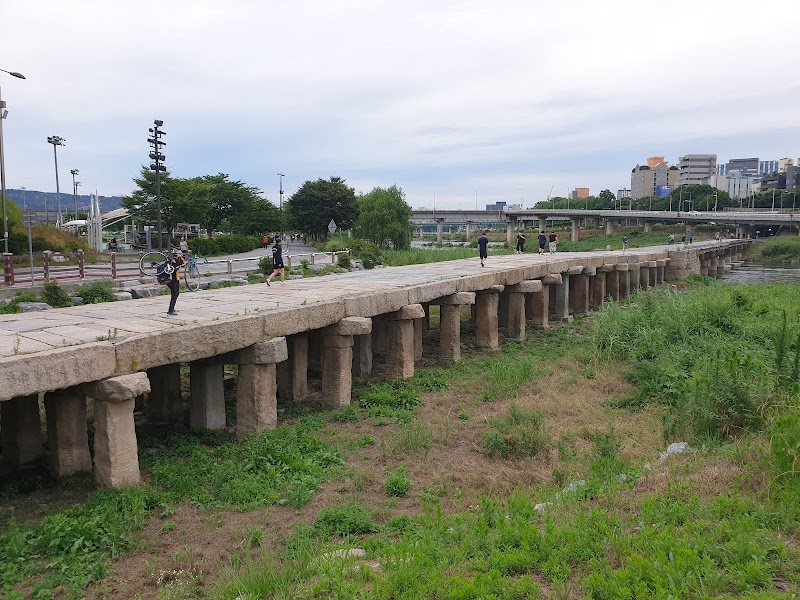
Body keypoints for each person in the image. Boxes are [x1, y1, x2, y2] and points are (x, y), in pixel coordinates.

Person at [166, 251, 186, 316]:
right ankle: (170, 310)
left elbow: (183, 266)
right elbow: (183, 265)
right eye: (179, 254)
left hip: (174, 280)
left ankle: (172, 308)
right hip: (173, 280)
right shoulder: (173, 261)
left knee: (174, 294)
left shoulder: (173, 260)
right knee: (175, 294)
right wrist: (181, 258)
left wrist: (180, 258)